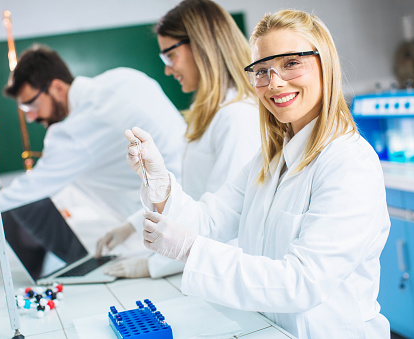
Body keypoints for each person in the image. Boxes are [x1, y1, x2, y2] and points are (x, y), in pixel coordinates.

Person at [125, 9, 391, 339]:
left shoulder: (348, 163)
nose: (275, 82)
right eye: (262, 71)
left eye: (292, 63)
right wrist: (160, 183)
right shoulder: (269, 160)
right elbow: (209, 220)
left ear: (325, 64)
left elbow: (303, 282)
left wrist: (191, 251)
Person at [0, 45, 186, 251]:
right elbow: (92, 172)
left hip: (172, 225)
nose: (30, 117)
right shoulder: (125, 77)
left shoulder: (77, 129)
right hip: (191, 198)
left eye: (31, 106)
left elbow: (25, 195)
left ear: (57, 87)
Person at [96, 0, 260, 279]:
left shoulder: (237, 117)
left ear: (201, 45)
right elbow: (193, 195)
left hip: (224, 268)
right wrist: (132, 225)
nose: (168, 70)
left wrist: (152, 266)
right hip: (203, 262)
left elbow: (222, 223)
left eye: (169, 56)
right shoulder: (212, 113)